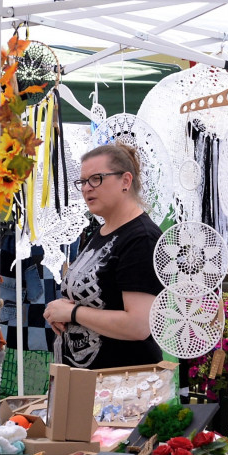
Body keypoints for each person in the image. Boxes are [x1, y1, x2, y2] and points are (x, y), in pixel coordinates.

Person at [43, 143, 163, 369]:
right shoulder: (101, 232)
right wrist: (59, 310)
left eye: (96, 179)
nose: (87, 188)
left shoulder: (141, 238)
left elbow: (138, 325)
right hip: (87, 385)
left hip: (121, 390)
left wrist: (73, 312)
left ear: (125, 181)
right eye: (83, 181)